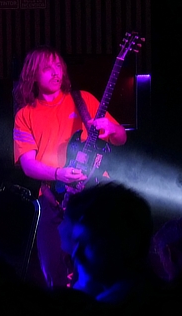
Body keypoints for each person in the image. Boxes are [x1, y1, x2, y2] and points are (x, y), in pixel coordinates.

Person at [12, 45, 127, 288]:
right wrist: (58, 174)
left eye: (58, 66)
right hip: (54, 201)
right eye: (47, 68)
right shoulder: (25, 115)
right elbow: (28, 165)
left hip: (94, 197)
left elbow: (120, 138)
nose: (56, 72)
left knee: (102, 270)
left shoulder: (83, 99)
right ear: (33, 74)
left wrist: (111, 128)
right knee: (55, 274)